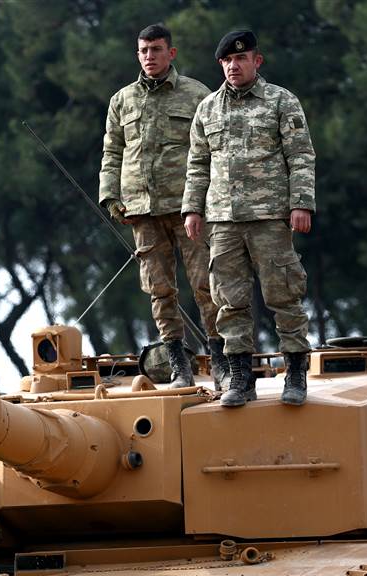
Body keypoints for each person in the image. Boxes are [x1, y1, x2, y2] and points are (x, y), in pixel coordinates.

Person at [181, 29, 315, 407]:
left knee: (284, 294)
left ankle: (296, 372)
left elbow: (301, 155)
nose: (233, 66)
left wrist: (300, 203)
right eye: (227, 61)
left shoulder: (280, 101)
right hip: (223, 220)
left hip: (270, 216)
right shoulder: (207, 109)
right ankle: (240, 378)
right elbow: (197, 164)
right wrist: (192, 209)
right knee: (229, 299)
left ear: (257, 60)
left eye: (241, 59)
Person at [99, 23, 227, 389]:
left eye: (156, 49)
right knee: (159, 289)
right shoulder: (122, 101)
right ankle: (177, 363)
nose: (149, 57)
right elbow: (112, 151)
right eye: (143, 50)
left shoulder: (197, 95)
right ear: (137, 54)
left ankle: (219, 359)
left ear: (171, 53)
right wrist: (110, 195)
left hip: (189, 207)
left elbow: (212, 152)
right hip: (142, 208)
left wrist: (207, 200)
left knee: (206, 284)